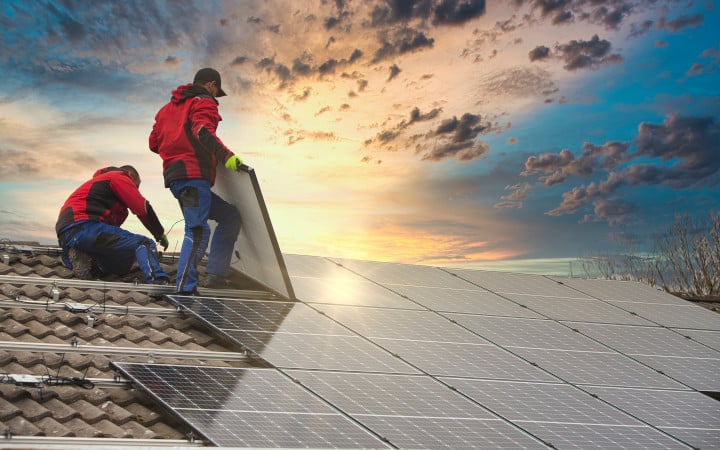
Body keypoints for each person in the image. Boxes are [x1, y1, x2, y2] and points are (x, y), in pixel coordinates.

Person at [149, 67, 243, 295]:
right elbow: (202, 130)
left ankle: (216, 275)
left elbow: (153, 143)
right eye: (216, 90)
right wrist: (227, 157)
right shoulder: (204, 101)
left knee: (230, 216)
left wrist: (175, 142)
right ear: (211, 85)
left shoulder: (165, 110)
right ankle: (185, 287)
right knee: (198, 231)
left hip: (176, 179)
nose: (215, 95)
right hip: (193, 176)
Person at [55, 165, 170, 284]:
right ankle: (157, 280)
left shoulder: (101, 189)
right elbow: (142, 208)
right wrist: (159, 233)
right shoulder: (118, 177)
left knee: (119, 267)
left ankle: (86, 257)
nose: (136, 189)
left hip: (68, 235)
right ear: (130, 174)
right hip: (85, 226)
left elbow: (112, 240)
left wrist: (143, 256)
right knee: (144, 243)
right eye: (137, 185)